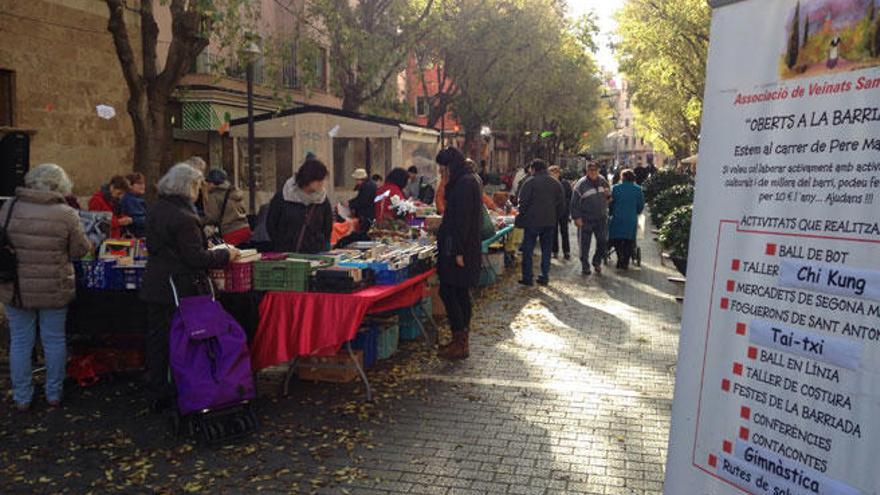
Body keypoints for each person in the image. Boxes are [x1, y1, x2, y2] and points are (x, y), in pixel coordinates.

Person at [139, 163, 237, 411]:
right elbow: (195, 258)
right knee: (182, 341)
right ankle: (181, 388)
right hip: (177, 287)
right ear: (190, 187)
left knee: (158, 339)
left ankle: (157, 389)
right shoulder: (184, 218)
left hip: (155, 283)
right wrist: (225, 255)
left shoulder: (157, 209)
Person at [0, 164, 91, 411]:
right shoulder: (66, 213)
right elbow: (79, 250)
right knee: (54, 340)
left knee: (20, 341)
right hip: (54, 285)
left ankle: (22, 397)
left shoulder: (9, 207)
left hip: (16, 286)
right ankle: (54, 394)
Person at [435, 147, 482, 360]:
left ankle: (460, 341)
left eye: (443, 168)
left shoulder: (464, 184)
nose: (441, 172)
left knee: (451, 291)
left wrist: (458, 251)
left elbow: (461, 221)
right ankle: (461, 339)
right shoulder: (468, 180)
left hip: (457, 248)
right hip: (459, 245)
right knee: (459, 292)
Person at [266, 158, 333, 254]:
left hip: (315, 254)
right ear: (308, 178)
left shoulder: (322, 200)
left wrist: (322, 245)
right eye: (318, 180)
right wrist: (280, 245)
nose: (321, 184)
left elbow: (327, 226)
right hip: (287, 254)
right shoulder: (283, 196)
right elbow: (271, 224)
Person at [515, 159, 564, 286]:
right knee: (546, 251)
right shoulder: (555, 183)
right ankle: (544, 276)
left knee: (528, 250)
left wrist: (521, 215)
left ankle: (528, 277)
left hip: (532, 222)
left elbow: (523, 202)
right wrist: (555, 217)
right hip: (549, 222)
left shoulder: (530, 182)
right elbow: (561, 204)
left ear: (533, 169)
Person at [571, 162, 611, 276]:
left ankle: (596, 261)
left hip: (601, 218)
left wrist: (608, 196)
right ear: (587, 171)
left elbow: (609, 196)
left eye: (595, 169)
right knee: (584, 245)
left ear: (598, 170)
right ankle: (585, 266)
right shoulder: (581, 184)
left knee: (603, 241)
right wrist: (576, 217)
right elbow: (574, 203)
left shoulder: (603, 181)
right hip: (585, 219)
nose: (593, 172)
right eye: (590, 169)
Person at [203, 169, 251, 246]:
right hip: (245, 228)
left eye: (208, 183)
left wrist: (201, 221)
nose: (207, 185)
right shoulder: (235, 191)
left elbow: (213, 217)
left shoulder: (214, 195)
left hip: (230, 232)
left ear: (212, 183)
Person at [608, 169, 645, 270]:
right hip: (631, 218)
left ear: (622, 177)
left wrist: (610, 212)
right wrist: (637, 212)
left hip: (617, 217)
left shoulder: (615, 188)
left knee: (617, 239)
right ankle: (626, 261)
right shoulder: (638, 189)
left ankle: (620, 257)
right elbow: (641, 205)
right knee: (629, 240)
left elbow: (611, 203)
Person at [548, 166, 572, 260]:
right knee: (553, 231)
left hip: (563, 211)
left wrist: (568, 210)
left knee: (564, 231)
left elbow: (570, 197)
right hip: (552, 211)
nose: (553, 175)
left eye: (555, 172)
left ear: (559, 173)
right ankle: (555, 251)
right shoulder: (549, 183)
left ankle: (566, 251)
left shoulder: (565, 183)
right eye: (551, 173)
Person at [348, 168, 377, 233]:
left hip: (366, 215)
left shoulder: (367, 186)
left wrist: (350, 204)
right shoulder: (369, 184)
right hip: (368, 214)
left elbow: (362, 201)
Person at [120, 172, 148, 237]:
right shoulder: (130, 200)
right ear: (130, 185)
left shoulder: (139, 199)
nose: (142, 186)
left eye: (143, 183)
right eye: (139, 184)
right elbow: (140, 219)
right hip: (135, 237)